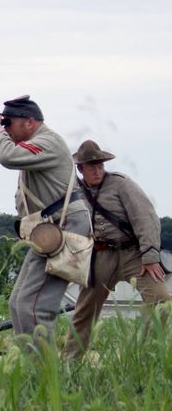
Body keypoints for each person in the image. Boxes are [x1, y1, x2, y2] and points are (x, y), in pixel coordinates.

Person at [0, 95, 91, 346]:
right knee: (19, 303)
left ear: (29, 122)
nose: (6, 129)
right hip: (49, 230)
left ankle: (43, 374)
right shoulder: (39, 142)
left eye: (9, 123)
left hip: (63, 229)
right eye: (4, 124)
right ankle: (32, 369)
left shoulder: (47, 142)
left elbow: (7, 156)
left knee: (35, 307)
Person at [62, 140, 169, 358]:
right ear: (80, 168)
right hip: (100, 256)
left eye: (100, 165)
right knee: (85, 310)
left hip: (133, 255)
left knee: (160, 299)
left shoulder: (120, 184)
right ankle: (70, 361)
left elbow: (146, 219)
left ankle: (146, 354)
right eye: (91, 166)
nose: (97, 170)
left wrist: (150, 256)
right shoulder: (74, 192)